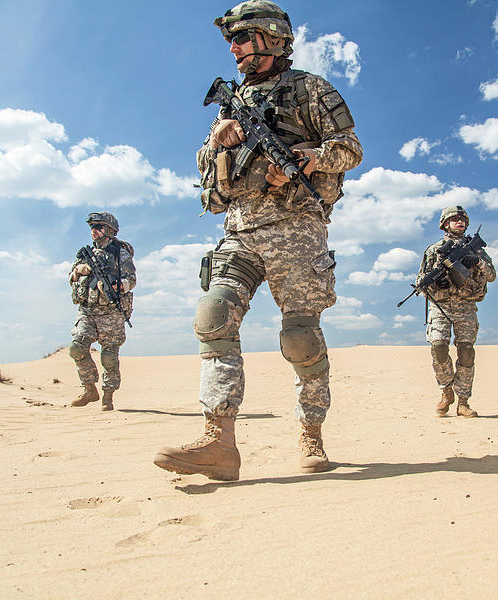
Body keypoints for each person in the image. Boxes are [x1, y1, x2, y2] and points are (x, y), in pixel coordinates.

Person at [153, 0, 362, 481]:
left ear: (272, 37)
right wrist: (217, 144)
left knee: (300, 337)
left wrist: (309, 157)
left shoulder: (311, 88)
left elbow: (350, 147)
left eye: (243, 37)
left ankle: (312, 432)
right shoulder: (231, 103)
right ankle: (218, 442)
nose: (235, 48)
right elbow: (208, 179)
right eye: (232, 40)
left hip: (297, 228)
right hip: (241, 227)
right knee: (213, 315)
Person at [418, 206, 495, 418]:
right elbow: (420, 282)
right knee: (439, 348)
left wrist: (477, 261)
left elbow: (491, 275)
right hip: (440, 306)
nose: (459, 222)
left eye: (462, 219)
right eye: (454, 219)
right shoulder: (434, 250)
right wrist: (437, 283)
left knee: (466, 353)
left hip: (465, 306)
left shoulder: (476, 250)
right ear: (444, 224)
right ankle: (446, 392)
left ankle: (463, 402)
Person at [68, 211, 136, 411]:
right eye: (92, 227)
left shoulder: (120, 254)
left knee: (109, 356)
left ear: (110, 230)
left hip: (111, 312)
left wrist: (116, 286)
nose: (94, 231)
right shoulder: (84, 254)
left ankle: (108, 396)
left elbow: (132, 280)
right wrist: (78, 271)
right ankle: (89, 389)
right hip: (88, 310)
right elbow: (70, 277)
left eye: (99, 227)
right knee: (77, 347)